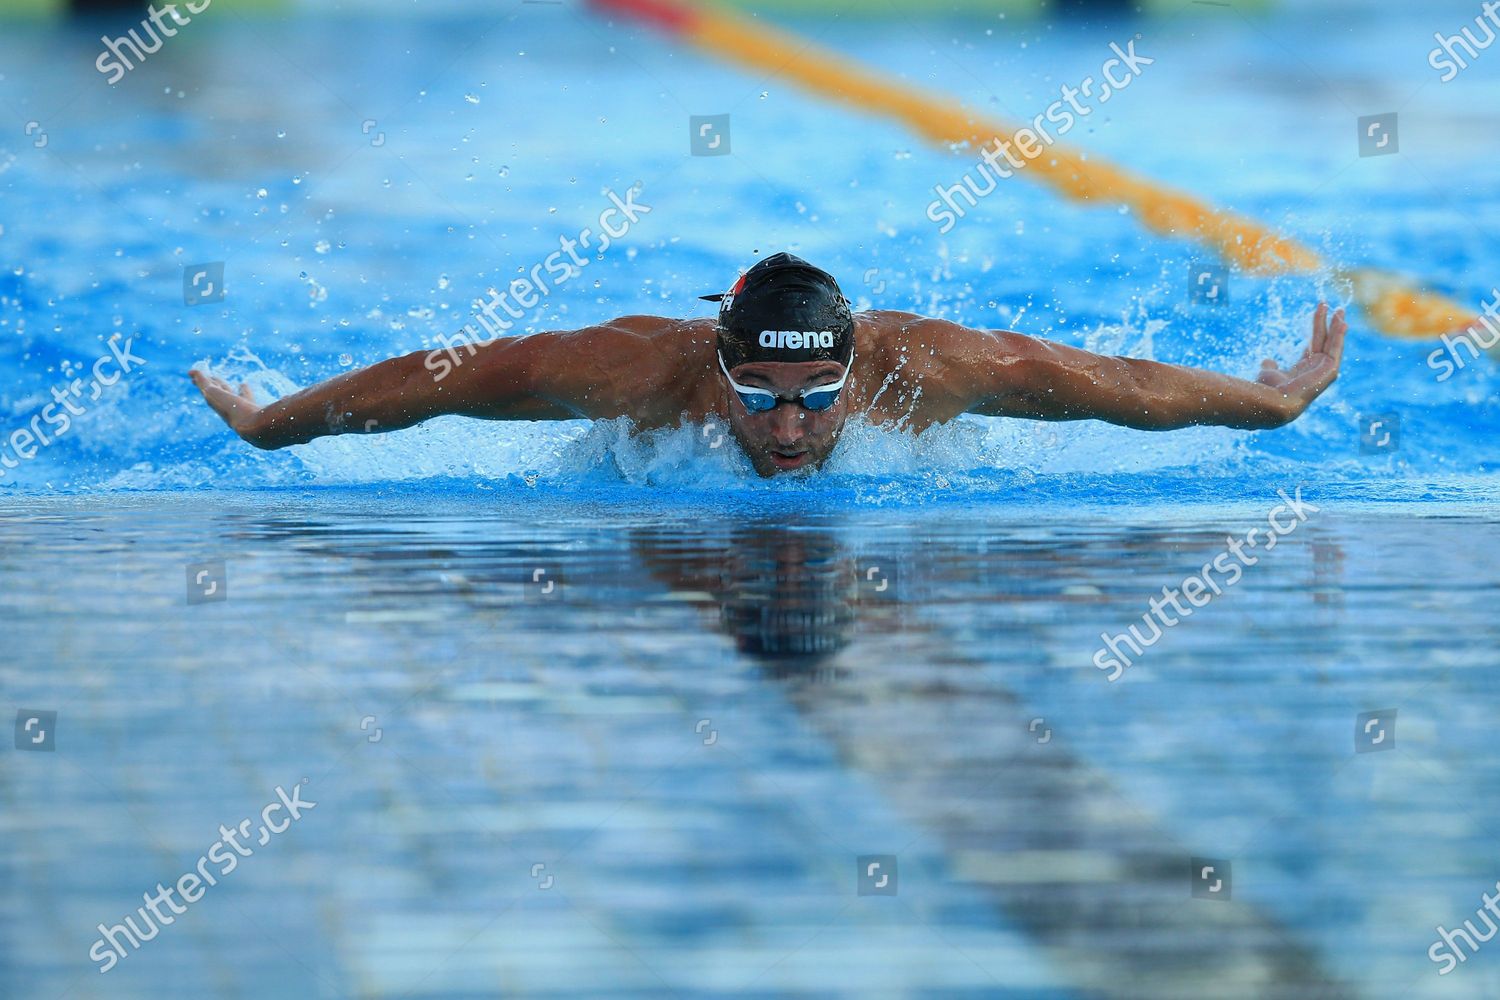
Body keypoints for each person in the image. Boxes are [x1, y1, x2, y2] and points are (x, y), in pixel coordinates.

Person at [191, 252, 1346, 477]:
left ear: (855, 367)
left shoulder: (927, 369)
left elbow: (1126, 392)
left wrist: (1274, 404)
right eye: (760, 399)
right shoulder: (636, 371)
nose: (789, 427)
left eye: (815, 398)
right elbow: (437, 379)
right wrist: (273, 425)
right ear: (721, 364)